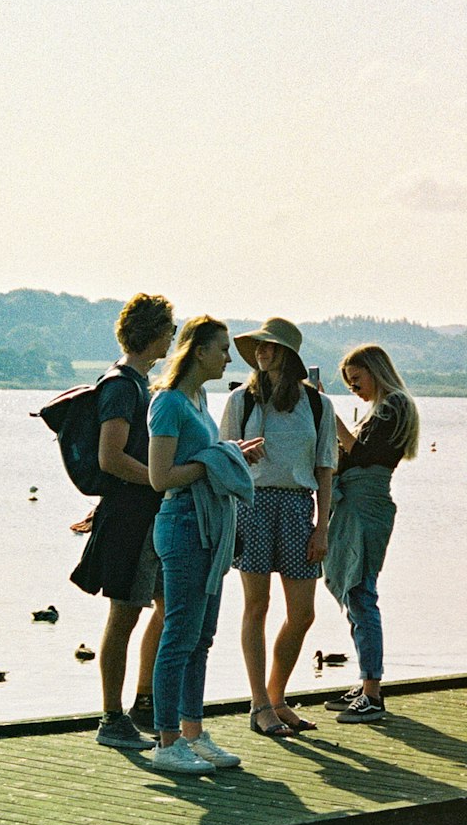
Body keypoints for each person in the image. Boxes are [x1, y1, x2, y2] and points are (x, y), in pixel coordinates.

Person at [148, 316, 262, 774]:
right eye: (221, 349)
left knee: (203, 638)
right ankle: (165, 741)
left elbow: (201, 459)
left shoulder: (200, 398)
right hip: (181, 523)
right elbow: (160, 478)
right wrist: (218, 459)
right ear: (198, 351)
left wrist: (229, 452)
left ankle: (193, 732)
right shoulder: (169, 402)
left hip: (210, 528)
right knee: (179, 635)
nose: (228, 358)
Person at [220, 317, 337, 737]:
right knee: (256, 607)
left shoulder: (318, 404)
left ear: (287, 354)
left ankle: (277, 696)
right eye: (258, 348)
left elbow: (325, 469)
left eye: (269, 347)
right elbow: (223, 459)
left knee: (302, 614)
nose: (262, 353)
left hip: (297, 505)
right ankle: (260, 705)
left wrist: (322, 527)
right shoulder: (241, 401)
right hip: (251, 504)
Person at [70, 293, 175, 751]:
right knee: (123, 617)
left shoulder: (143, 385)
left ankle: (144, 702)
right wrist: (162, 481)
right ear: (153, 333)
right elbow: (110, 458)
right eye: (170, 330)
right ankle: (112, 718)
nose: (173, 337)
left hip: (149, 518)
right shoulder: (121, 386)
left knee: (167, 607)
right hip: (130, 520)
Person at [322, 344, 420, 723]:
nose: (353, 388)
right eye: (348, 384)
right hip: (358, 505)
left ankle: (373, 693)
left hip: (367, 506)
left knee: (361, 593)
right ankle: (366, 683)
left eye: (356, 380)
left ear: (375, 372)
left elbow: (360, 455)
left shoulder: (394, 406)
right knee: (353, 592)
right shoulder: (380, 409)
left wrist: (330, 417)